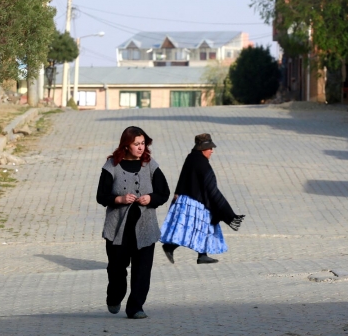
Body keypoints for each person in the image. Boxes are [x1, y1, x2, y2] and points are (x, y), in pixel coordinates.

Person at [96, 126, 170, 319]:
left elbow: (164, 193)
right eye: (136, 144)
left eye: (143, 143)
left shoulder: (150, 165)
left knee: (142, 271)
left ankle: (136, 307)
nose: (140, 147)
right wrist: (118, 199)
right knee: (116, 270)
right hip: (118, 230)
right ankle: (115, 296)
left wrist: (151, 198)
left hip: (145, 229)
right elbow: (101, 195)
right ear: (126, 145)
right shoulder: (111, 165)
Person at [160, 133, 245, 264]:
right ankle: (170, 247)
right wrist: (225, 209)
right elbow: (211, 188)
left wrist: (177, 192)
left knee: (200, 227)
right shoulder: (202, 163)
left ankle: (201, 255)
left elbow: (183, 176)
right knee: (194, 227)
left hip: (187, 197)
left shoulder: (191, 157)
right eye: (210, 148)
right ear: (203, 148)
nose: (212, 151)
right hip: (195, 201)